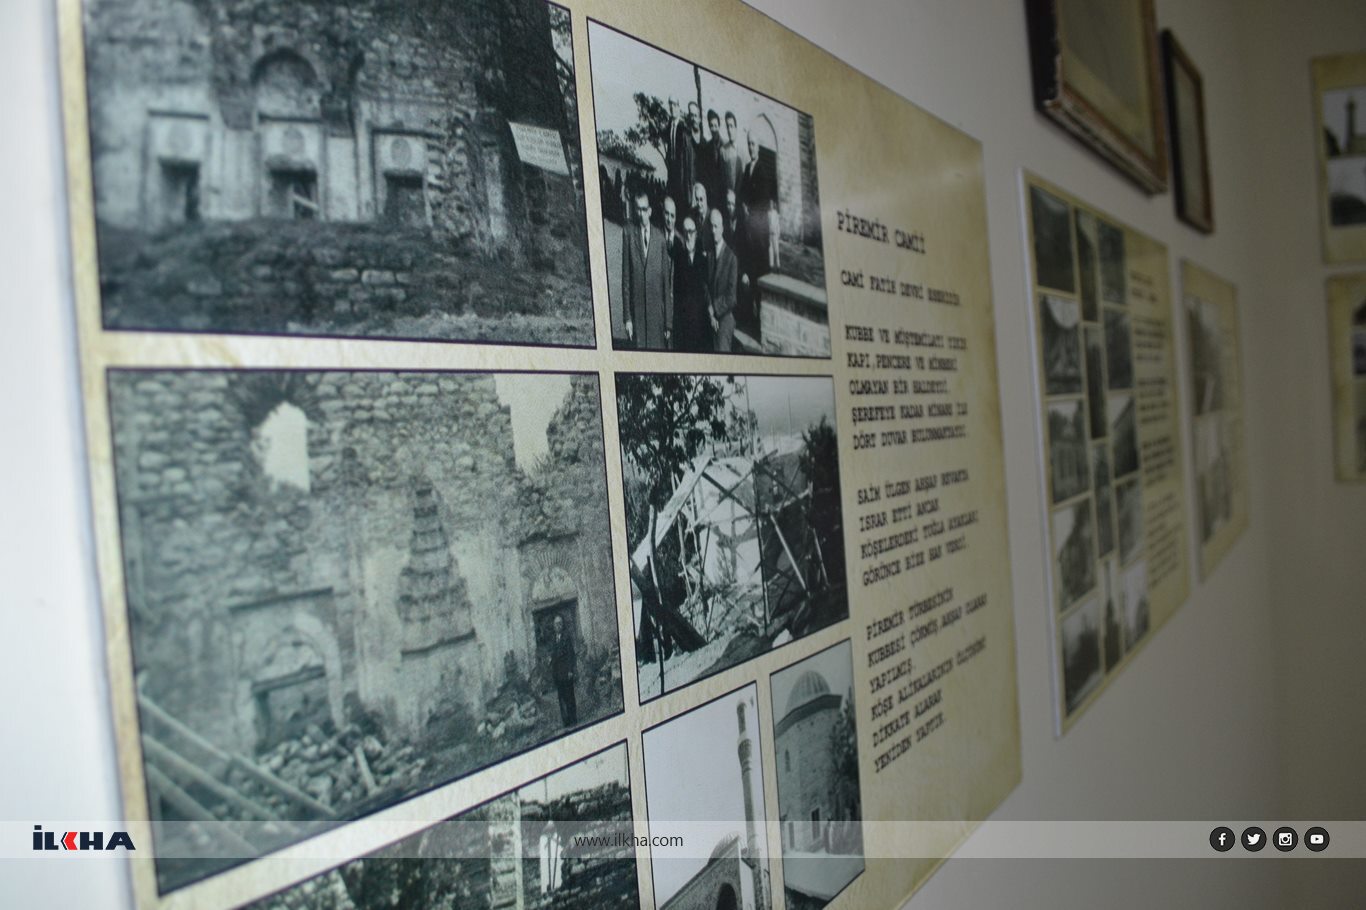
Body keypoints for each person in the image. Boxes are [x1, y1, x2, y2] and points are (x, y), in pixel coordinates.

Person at [622, 190, 673, 349]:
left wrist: (668, 323)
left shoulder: (660, 238)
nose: (641, 213)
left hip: (656, 318)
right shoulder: (629, 235)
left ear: (650, 211)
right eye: (638, 209)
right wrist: (628, 319)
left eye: (644, 209)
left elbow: (666, 283)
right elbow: (626, 280)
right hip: (637, 317)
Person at [673, 215, 711, 352]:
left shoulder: (702, 257)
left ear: (696, 233)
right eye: (686, 232)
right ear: (683, 233)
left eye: (692, 231)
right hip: (685, 318)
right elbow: (677, 289)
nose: (689, 235)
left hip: (700, 319)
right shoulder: (679, 256)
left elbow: (706, 286)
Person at [707, 208, 738, 352]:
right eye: (711, 226)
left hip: (725, 319)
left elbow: (731, 297)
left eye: (716, 226)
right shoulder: (710, 254)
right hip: (710, 318)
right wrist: (709, 310)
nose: (713, 230)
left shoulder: (731, 259)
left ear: (722, 228)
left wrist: (714, 308)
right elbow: (706, 285)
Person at [549, 614, 578, 727]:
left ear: (563, 624)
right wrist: (550, 659)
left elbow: (571, 655)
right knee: (561, 698)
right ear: (553, 626)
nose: (558, 626)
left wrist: (571, 670)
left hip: (566, 672)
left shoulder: (567, 637)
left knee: (570, 696)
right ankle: (566, 721)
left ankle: (573, 719)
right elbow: (553, 654)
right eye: (556, 624)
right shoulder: (553, 639)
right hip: (557, 674)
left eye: (560, 623)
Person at [666, 97, 692, 210]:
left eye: (675, 105)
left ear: (679, 107)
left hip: (681, 171)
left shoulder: (683, 127)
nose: (672, 108)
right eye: (670, 105)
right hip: (671, 170)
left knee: (680, 201)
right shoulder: (669, 126)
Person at [701, 109, 725, 212]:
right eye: (711, 126)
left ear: (719, 126)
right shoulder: (707, 148)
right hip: (711, 194)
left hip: (722, 194)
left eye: (715, 125)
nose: (714, 129)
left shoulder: (724, 146)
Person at [720, 111, 743, 199]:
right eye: (727, 126)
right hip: (728, 198)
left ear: (736, 128)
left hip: (740, 198)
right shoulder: (723, 151)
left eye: (731, 126)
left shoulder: (743, 152)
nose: (729, 130)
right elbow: (722, 178)